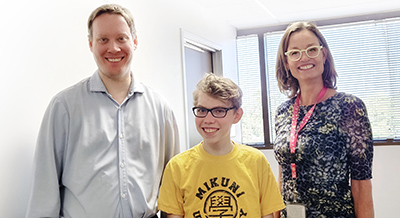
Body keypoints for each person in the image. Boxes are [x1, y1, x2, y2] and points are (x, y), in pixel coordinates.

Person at [26, 4, 179, 218]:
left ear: (135, 41)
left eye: (121, 38)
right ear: (91, 44)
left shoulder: (161, 109)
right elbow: (44, 191)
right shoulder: (64, 107)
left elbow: (173, 184)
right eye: (103, 39)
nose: (114, 48)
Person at [273, 21, 374, 218]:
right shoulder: (282, 112)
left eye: (312, 50)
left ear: (324, 55)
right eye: (295, 53)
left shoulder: (350, 107)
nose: (304, 58)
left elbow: (361, 184)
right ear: (286, 62)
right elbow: (282, 176)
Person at [158, 74, 285, 218]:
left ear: (237, 115)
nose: (208, 119)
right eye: (202, 110)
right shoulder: (177, 167)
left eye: (219, 111)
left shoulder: (256, 162)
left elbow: (268, 215)